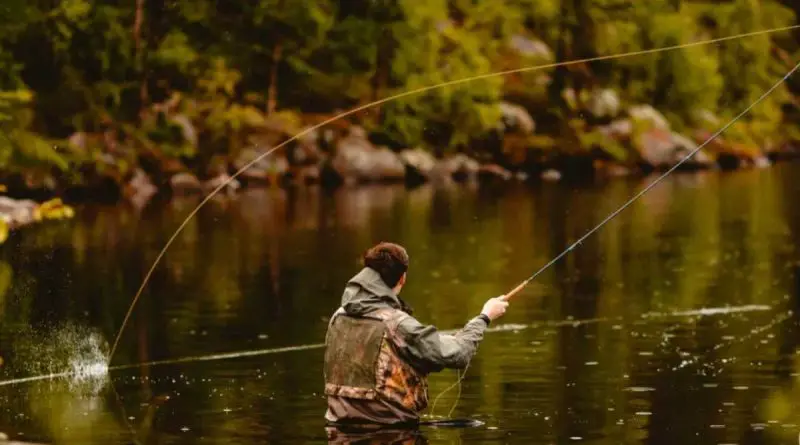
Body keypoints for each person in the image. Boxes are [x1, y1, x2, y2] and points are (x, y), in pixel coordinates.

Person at [323, 241, 510, 428]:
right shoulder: (398, 324)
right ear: (402, 278)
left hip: (337, 431)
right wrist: (484, 317)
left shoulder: (338, 316)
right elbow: (458, 353)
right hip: (392, 432)